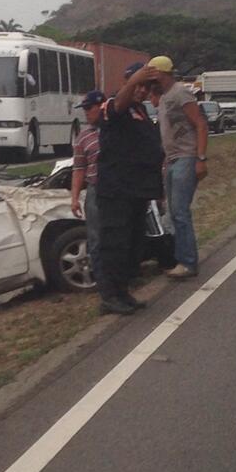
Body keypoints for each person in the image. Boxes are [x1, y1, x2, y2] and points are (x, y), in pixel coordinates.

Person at [95, 64, 165, 315]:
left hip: (138, 191)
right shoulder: (115, 105)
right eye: (139, 85)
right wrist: (134, 80)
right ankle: (110, 296)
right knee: (114, 244)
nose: (143, 91)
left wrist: (157, 192)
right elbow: (117, 106)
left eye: (147, 87)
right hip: (116, 191)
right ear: (128, 82)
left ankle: (123, 292)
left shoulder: (141, 112)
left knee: (133, 245)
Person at [150, 55, 208, 278]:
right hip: (173, 160)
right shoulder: (164, 97)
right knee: (175, 213)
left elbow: (200, 124)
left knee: (181, 212)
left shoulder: (180, 92)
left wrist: (200, 158)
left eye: (152, 73)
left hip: (186, 157)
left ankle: (188, 262)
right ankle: (182, 258)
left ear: (161, 73)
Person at [71, 89, 106, 282]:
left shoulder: (117, 129)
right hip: (95, 190)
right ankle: (102, 281)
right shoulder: (83, 137)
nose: (86, 113)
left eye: (89, 108)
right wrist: (75, 198)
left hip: (118, 191)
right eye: (84, 109)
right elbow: (78, 169)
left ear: (101, 106)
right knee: (96, 238)